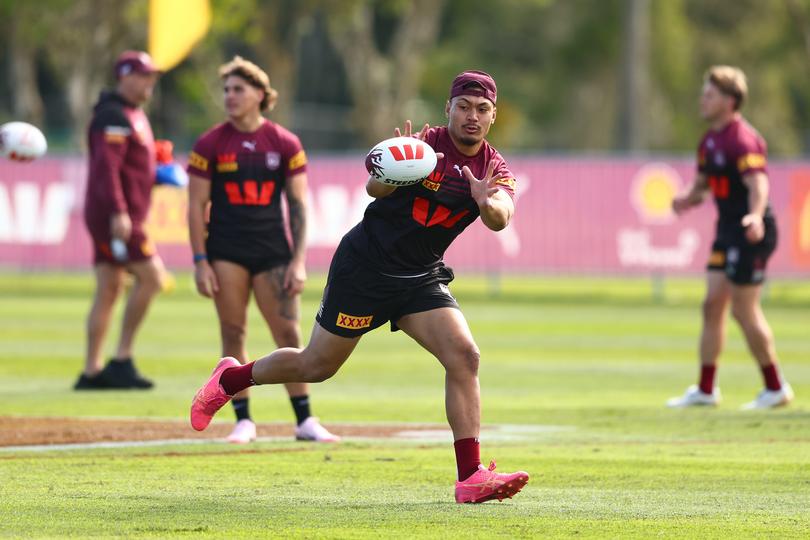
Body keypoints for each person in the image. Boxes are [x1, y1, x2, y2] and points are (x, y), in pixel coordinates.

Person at [190, 69, 529, 503]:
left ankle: (470, 476)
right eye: (463, 107)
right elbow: (374, 187)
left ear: (493, 116)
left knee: (464, 355)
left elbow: (501, 216)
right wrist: (395, 170)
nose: (471, 117)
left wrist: (487, 201)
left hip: (419, 277)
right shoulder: (423, 145)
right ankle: (232, 378)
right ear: (448, 109)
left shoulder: (494, 168)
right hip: (365, 270)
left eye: (482, 110)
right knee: (317, 366)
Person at [186, 56, 339, 444]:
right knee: (233, 331)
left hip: (274, 251)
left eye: (238, 89)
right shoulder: (210, 143)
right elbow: (195, 205)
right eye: (226, 90)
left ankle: (304, 420)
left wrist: (298, 260)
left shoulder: (284, 143)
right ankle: (243, 420)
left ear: (259, 94)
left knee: (287, 332)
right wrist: (201, 261)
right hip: (226, 250)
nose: (230, 96)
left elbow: (299, 205)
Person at [667, 65, 794, 410]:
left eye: (709, 95)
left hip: (752, 231)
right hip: (727, 232)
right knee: (712, 306)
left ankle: (775, 387)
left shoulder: (743, 139)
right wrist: (685, 198)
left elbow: (759, 184)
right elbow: (703, 186)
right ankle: (706, 390)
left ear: (730, 100)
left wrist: (754, 215)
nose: (702, 100)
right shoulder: (709, 141)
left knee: (743, 309)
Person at [75, 51, 166, 390]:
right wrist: (118, 211)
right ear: (124, 76)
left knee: (110, 287)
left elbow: (130, 166)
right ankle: (121, 359)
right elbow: (106, 168)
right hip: (116, 216)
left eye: (152, 77)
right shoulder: (112, 115)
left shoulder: (133, 113)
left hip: (125, 213)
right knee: (152, 278)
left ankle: (92, 371)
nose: (149, 83)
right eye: (143, 76)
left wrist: (158, 171)